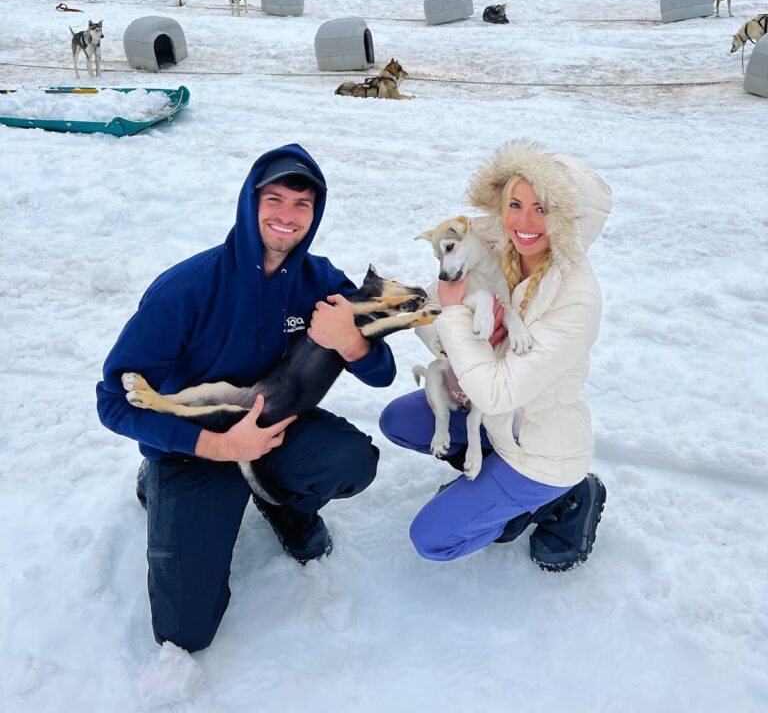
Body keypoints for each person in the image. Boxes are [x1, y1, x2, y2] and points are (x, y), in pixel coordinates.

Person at [97, 144, 395, 652]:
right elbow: (113, 401)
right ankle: (162, 484)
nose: (287, 216)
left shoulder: (320, 281)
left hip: (274, 430)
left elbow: (382, 374)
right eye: (274, 199)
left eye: (302, 204)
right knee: (185, 633)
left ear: (315, 214)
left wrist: (353, 342)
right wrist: (215, 447)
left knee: (351, 460)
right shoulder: (186, 289)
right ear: (249, 202)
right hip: (195, 448)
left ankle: (282, 502)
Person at [380, 140, 612, 571]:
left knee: (432, 539)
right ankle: (491, 485)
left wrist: (454, 314)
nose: (523, 222)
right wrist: (444, 332)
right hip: (492, 417)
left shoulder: (577, 298)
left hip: (539, 449)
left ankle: (561, 499)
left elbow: (498, 393)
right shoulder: (497, 243)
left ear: (567, 219)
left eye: (542, 209)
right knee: (399, 421)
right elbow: (434, 302)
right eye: (516, 204)